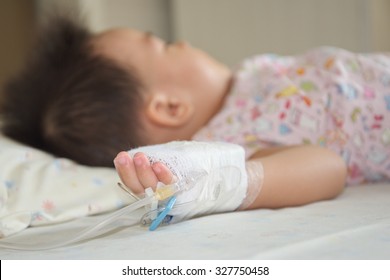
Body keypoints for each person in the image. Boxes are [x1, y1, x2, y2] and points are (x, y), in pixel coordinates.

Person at [1, 15, 388, 216]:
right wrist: (235, 184)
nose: (183, 42)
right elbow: (328, 167)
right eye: (167, 46)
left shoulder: (246, 86)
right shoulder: (230, 142)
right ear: (171, 107)